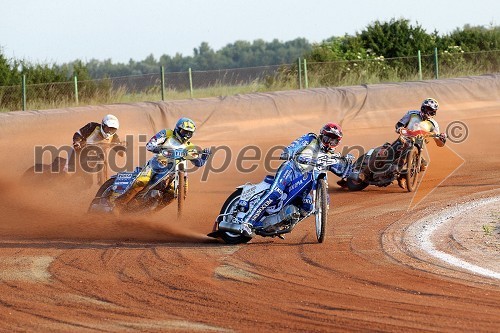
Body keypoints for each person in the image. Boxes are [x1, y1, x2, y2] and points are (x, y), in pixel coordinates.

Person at [235, 122, 353, 236]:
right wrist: (288, 152)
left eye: (333, 141)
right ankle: (247, 222)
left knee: (308, 206)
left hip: (305, 183)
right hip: (292, 170)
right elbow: (295, 144)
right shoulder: (311, 139)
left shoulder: (332, 157)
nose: (329, 143)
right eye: (327, 138)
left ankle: (280, 224)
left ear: (337, 143)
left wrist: (349, 166)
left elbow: (345, 172)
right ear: (322, 135)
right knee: (275, 192)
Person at [115, 117, 211, 205]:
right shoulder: (167, 134)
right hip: (158, 164)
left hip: (176, 173)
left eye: (189, 133)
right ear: (177, 129)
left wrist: (204, 157)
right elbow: (150, 145)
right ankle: (119, 204)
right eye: (184, 132)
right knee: (141, 181)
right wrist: (163, 150)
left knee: (176, 193)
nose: (186, 135)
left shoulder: (190, 147)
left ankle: (148, 212)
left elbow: (198, 163)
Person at [65, 114, 121, 186]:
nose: (109, 132)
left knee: (88, 184)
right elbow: (78, 134)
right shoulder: (92, 127)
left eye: (112, 130)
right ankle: (59, 184)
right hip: (79, 152)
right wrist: (77, 142)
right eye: (108, 129)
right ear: (103, 125)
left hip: (96, 155)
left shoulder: (114, 136)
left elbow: (120, 151)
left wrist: (121, 147)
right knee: (68, 173)